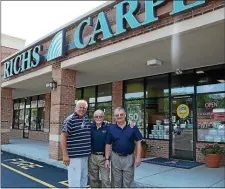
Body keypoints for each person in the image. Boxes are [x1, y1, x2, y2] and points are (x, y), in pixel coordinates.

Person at [104, 107, 143, 188]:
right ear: (114, 117)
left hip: (129, 158)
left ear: (125, 115)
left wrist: (138, 158)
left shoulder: (132, 127)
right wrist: (107, 159)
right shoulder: (111, 129)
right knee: (116, 182)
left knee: (128, 182)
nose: (119, 116)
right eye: (117, 115)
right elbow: (108, 144)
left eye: (121, 114)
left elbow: (139, 142)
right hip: (116, 157)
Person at [60, 100, 92, 188]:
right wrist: (65, 155)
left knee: (83, 178)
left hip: (85, 156)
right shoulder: (70, 120)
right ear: (76, 108)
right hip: (74, 157)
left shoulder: (86, 118)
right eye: (80, 107)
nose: (82, 109)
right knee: (74, 181)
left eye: (84, 108)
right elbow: (63, 137)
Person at [88, 109, 111, 188]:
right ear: (93, 117)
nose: (98, 118)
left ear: (103, 117)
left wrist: (108, 159)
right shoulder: (90, 127)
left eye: (100, 116)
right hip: (92, 157)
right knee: (93, 179)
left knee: (105, 180)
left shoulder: (108, 128)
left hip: (104, 157)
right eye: (96, 116)